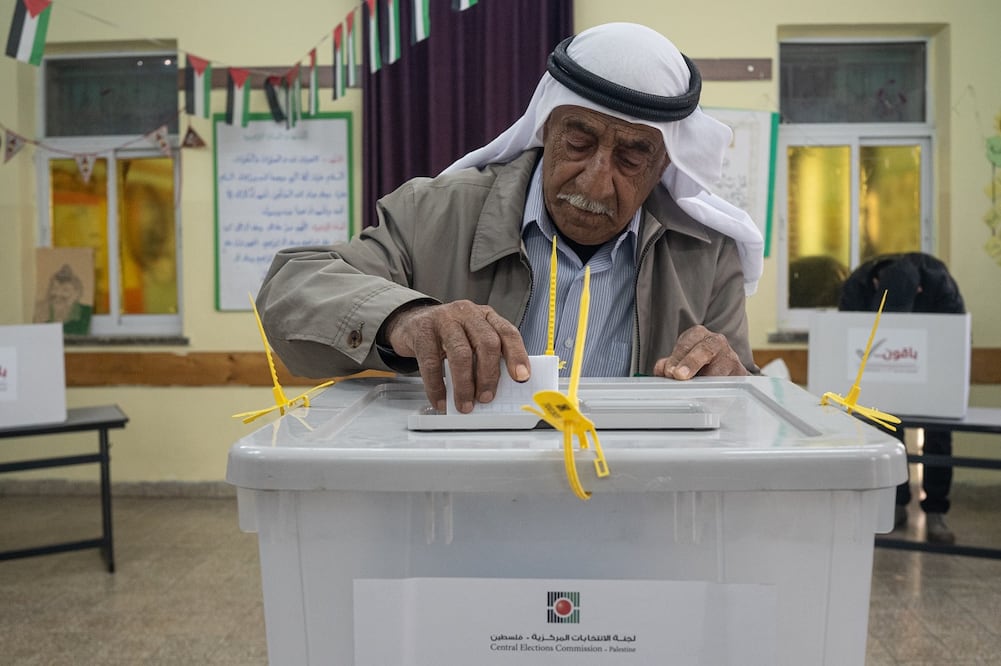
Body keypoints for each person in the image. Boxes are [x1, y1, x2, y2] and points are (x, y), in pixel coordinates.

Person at [256, 22, 764, 415]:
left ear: (664, 165)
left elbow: (741, 409)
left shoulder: (707, 255)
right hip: (462, 507)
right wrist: (405, 319)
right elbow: (290, 289)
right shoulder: (436, 213)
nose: (594, 181)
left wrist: (731, 381)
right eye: (579, 141)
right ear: (546, 127)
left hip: (630, 509)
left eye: (631, 157)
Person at [839, 252, 965, 544]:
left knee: (937, 435)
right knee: (885, 430)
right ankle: (895, 504)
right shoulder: (856, 288)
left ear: (919, 291)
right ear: (874, 284)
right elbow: (847, 337)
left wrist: (941, 387)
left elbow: (956, 342)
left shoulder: (942, 286)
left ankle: (936, 511)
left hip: (934, 363)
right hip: (881, 363)